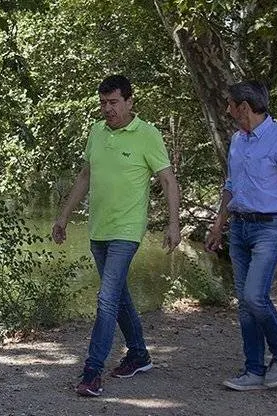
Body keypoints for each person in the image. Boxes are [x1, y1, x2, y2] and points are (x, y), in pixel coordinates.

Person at [53, 75, 181, 397]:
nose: (107, 109)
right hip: (99, 230)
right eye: (103, 103)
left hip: (126, 231)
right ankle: (138, 355)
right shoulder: (96, 132)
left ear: (129, 101)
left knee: (106, 299)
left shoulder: (147, 134)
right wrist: (63, 217)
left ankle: (92, 373)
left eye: (113, 102)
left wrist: (173, 223)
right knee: (119, 296)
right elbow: (85, 176)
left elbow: (167, 180)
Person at [205, 80, 277, 391]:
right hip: (239, 227)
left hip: (271, 226)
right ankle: (253, 370)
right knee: (244, 302)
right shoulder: (237, 141)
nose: (226, 109)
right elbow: (230, 186)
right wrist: (218, 225)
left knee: (255, 296)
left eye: (230, 104)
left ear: (244, 107)